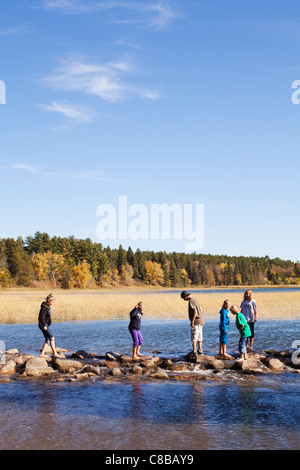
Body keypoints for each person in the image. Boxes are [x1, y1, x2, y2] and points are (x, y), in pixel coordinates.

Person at [38, 294, 61, 359]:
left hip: (44, 324)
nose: (53, 303)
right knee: (52, 338)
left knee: (47, 340)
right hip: (43, 325)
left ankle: (42, 354)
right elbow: (41, 317)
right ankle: (55, 353)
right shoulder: (44, 307)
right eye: (52, 302)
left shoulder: (46, 306)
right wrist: (44, 325)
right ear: (49, 300)